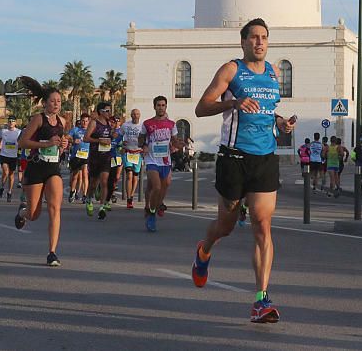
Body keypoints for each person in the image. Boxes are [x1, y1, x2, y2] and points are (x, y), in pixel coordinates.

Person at [191, 18, 297, 323]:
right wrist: (234, 102)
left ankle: (261, 300)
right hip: (234, 158)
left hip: (265, 158)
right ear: (243, 42)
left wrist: (280, 122)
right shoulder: (231, 70)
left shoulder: (273, 73)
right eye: (254, 37)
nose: (260, 42)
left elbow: (265, 109)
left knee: (262, 226)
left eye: (264, 37)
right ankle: (204, 250)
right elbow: (202, 107)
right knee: (224, 225)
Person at [14, 76, 70, 267]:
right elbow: (22, 142)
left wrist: (64, 144)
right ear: (45, 103)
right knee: (34, 214)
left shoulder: (63, 121)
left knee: (55, 208)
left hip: (53, 168)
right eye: (53, 101)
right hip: (36, 166)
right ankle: (22, 213)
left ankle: (52, 252)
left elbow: (61, 144)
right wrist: (45, 143)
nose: (56, 104)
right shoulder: (38, 119)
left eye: (59, 101)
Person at [140, 96, 184, 232]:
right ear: (154, 107)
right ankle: (152, 214)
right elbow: (141, 138)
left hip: (165, 160)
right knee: (156, 187)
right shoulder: (147, 123)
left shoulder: (171, 124)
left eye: (163, 105)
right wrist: (144, 145)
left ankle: (156, 205)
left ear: (166, 107)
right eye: (158, 105)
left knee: (165, 186)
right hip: (152, 159)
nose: (161, 107)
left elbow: (174, 140)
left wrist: (179, 145)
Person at [84, 102, 115, 220]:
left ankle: (102, 207)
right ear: (101, 112)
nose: (109, 113)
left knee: (104, 181)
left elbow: (109, 138)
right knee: (93, 183)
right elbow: (86, 138)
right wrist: (99, 141)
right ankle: (88, 198)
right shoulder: (94, 123)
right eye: (107, 111)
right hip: (95, 157)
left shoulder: (109, 124)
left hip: (106, 157)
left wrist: (113, 136)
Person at [120, 109, 144, 209]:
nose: (135, 116)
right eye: (133, 114)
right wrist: (121, 143)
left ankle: (131, 195)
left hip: (138, 154)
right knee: (129, 175)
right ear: (131, 115)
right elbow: (119, 136)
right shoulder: (125, 125)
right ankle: (129, 198)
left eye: (137, 114)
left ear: (139, 115)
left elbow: (147, 139)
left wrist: (144, 147)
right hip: (128, 152)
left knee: (135, 177)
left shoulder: (143, 127)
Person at [68, 114, 90, 203]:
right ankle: (72, 191)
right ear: (80, 121)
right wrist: (73, 141)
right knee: (75, 176)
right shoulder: (75, 130)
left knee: (85, 174)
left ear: (89, 122)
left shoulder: (90, 131)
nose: (84, 123)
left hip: (86, 155)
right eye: (83, 121)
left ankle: (84, 195)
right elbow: (68, 137)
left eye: (86, 121)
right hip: (76, 155)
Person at [0, 118, 21, 202]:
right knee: (6, 172)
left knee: (11, 175)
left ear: (15, 123)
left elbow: (21, 141)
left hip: (13, 156)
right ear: (7, 123)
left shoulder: (19, 132)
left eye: (13, 121)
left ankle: (9, 192)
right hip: (4, 155)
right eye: (9, 121)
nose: (11, 123)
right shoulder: (3, 131)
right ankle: (2, 187)